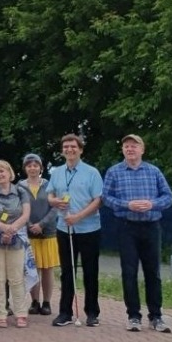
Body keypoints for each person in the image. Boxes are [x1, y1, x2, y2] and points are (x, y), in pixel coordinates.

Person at [103, 134, 172, 334]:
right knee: (129, 272)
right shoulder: (114, 172)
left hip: (151, 226)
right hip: (127, 226)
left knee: (153, 273)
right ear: (123, 150)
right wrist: (127, 204)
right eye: (126, 146)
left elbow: (168, 197)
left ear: (142, 150)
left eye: (134, 146)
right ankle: (133, 316)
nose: (130, 149)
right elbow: (106, 198)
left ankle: (156, 316)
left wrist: (153, 204)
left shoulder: (153, 171)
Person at [48, 133, 103, 327]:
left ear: (80, 149)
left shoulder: (92, 172)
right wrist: (54, 201)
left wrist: (79, 216)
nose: (69, 150)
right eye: (66, 147)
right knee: (67, 271)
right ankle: (65, 312)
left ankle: (92, 312)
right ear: (62, 151)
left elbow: (98, 200)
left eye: (73, 146)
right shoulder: (56, 172)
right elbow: (50, 195)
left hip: (88, 228)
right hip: (64, 228)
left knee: (90, 271)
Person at [0, 160, 32, 327]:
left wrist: (12, 230)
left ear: (10, 173)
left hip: (17, 238)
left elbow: (25, 214)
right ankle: (0, 314)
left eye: (2, 171)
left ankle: (20, 313)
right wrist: (3, 228)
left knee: (16, 278)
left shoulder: (21, 191)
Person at [21, 153, 58, 317]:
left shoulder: (50, 185)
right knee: (31, 269)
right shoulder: (20, 187)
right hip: (28, 234)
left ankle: (47, 302)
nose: (32, 168)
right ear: (25, 168)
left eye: (35, 165)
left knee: (47, 269)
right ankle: (34, 301)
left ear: (41, 167)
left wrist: (42, 224)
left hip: (48, 232)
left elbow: (55, 208)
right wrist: (29, 225)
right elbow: (19, 208)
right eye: (29, 165)